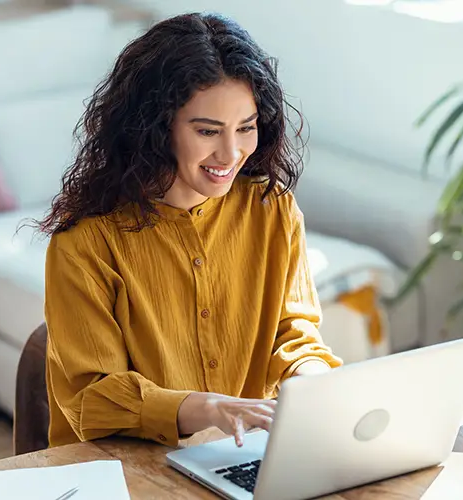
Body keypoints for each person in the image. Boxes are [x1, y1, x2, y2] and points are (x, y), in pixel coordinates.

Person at [38, 12, 342, 450]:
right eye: (207, 131)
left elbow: (295, 335)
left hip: (241, 459)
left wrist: (315, 381)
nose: (231, 152)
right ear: (155, 129)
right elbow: (93, 399)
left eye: (246, 128)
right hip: (122, 473)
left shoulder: (271, 209)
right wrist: (210, 409)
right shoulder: (84, 244)